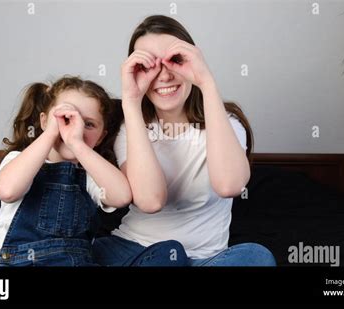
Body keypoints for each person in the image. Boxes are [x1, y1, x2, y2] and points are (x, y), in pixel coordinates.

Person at [0, 76, 187, 266]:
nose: (75, 128)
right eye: (66, 118)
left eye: (88, 124)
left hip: (76, 262)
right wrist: (51, 135)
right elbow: (7, 190)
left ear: (101, 137)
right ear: (44, 121)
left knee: (169, 250)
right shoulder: (20, 160)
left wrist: (79, 145)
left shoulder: (89, 174)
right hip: (20, 261)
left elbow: (121, 196)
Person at [91, 15, 276, 266]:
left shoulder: (226, 123)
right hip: (135, 252)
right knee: (167, 255)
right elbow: (150, 200)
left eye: (175, 60)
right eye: (149, 66)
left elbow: (230, 185)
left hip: (204, 260)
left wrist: (206, 81)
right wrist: (131, 101)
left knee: (257, 257)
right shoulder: (131, 128)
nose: (164, 76)